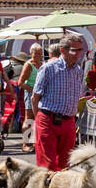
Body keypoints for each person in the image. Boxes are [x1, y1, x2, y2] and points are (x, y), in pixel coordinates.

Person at [31, 35, 87, 170]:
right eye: (74, 50)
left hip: (69, 121)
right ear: (63, 50)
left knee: (66, 164)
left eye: (80, 50)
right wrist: (39, 119)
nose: (78, 54)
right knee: (47, 164)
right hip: (48, 119)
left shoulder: (78, 71)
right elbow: (35, 97)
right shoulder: (49, 68)